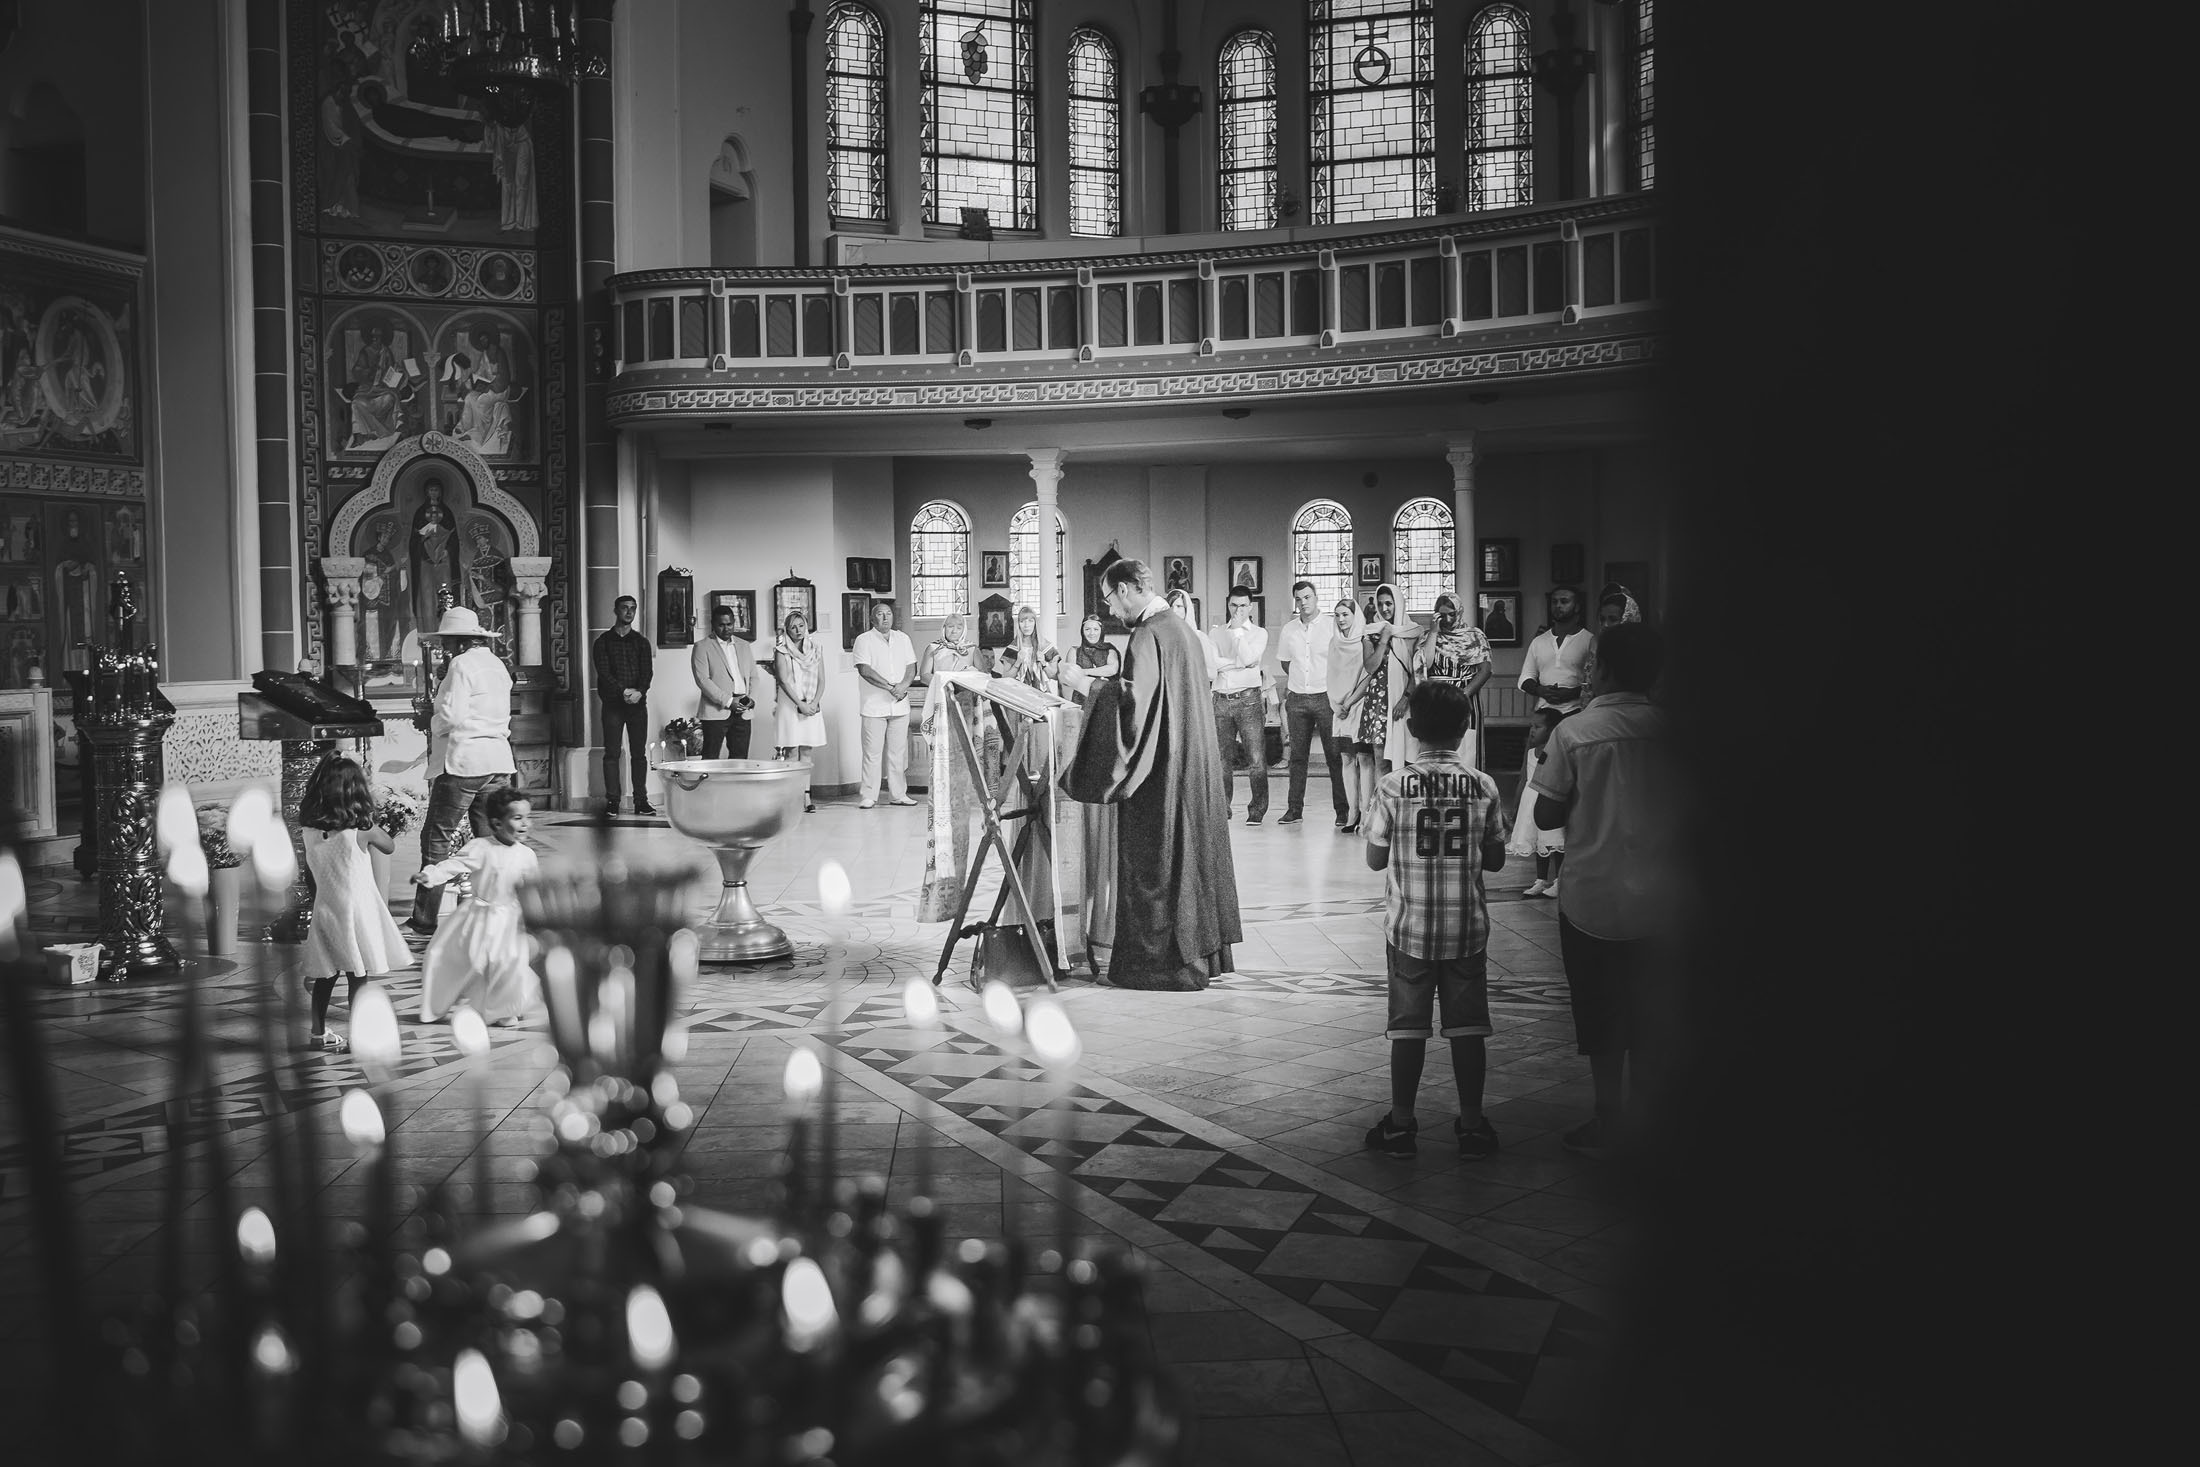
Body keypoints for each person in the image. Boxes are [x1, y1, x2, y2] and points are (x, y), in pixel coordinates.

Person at [1531, 622, 1682, 1159]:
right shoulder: (1673, 730)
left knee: (1601, 1011)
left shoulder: (1574, 733)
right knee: (1649, 1010)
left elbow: (1546, 812)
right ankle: (1647, 1116)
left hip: (1592, 897)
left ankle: (1608, 1116)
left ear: (1605, 670)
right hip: (1662, 900)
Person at [1067, 559, 1243, 991]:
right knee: (1192, 862)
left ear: (1127, 589)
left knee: (1160, 863)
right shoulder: (1180, 629)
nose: (1110, 610)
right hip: (1191, 769)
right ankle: (1199, 956)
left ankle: (1159, 967)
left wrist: (1084, 684)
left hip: (1162, 777)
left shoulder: (1148, 634)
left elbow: (1134, 709)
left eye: (1110, 598)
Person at [1360, 681, 1509, 1160]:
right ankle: (1471, 1123)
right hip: (1466, 927)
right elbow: (1497, 860)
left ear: (1410, 728)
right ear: (1466, 729)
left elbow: (1375, 860)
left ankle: (1401, 1124)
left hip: (1410, 929)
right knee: (1468, 1029)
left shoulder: (1392, 785)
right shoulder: (1483, 784)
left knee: (1408, 1029)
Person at [409, 606, 517, 936]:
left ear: (458, 641)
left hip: (465, 762)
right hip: (498, 760)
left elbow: (452, 716)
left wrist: (432, 720)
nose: (443, 648)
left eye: (446, 642)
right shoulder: (497, 664)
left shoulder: (460, 664)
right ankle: (491, 907)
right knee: (490, 840)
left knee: (437, 838)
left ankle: (425, 917)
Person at [297, 755, 411, 1052]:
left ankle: (318, 1033)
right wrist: (372, 822)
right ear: (357, 792)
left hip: (325, 907)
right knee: (357, 977)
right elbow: (389, 845)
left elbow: (312, 873)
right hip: (355, 912)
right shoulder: (361, 831)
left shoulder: (309, 833)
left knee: (326, 975)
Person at [414, 784, 540, 1025]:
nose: (525, 824)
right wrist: (430, 875)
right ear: (496, 823)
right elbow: (455, 865)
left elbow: (532, 885)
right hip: (482, 918)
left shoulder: (527, 855)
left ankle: (505, 1008)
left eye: (528, 817)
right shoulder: (481, 848)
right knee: (479, 963)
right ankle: (489, 1004)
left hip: (512, 920)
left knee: (510, 962)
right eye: (517, 818)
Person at [1512, 585, 1594, 897]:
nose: (1559, 606)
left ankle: (1566, 872)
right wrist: (1543, 691)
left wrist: (1574, 692)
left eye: (1565, 601)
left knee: (1566, 791)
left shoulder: (1588, 639)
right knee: (1537, 788)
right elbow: (1526, 678)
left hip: (1574, 715)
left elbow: (1591, 676)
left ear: (1577, 604)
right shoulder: (1540, 642)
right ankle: (1542, 874)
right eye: (1556, 602)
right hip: (1544, 718)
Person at [1276, 579, 1347, 827]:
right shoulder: (1289, 630)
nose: (1303, 602)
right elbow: (1286, 662)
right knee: (1297, 757)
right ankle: (1294, 809)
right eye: (1298, 599)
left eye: (1307, 597)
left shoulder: (1330, 625)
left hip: (1325, 697)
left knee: (1334, 756)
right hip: (1297, 698)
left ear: (1315, 597)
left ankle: (1343, 811)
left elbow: (1341, 659)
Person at [1399, 591, 1493, 767]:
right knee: (1435, 745)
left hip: (1466, 695)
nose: (1448, 619)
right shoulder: (1427, 636)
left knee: (1467, 748)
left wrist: (1464, 695)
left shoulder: (1475, 635)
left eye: (1452, 614)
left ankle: (1468, 786)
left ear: (1459, 612)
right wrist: (1434, 631)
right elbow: (1424, 665)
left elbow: (1485, 670)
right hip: (1435, 699)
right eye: (1442, 615)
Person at [1211, 587, 1269, 825]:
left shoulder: (1259, 633)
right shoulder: (1214, 634)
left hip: (1248, 700)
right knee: (1222, 760)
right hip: (1221, 699)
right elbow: (1212, 665)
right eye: (1234, 605)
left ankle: (1257, 810)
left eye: (1243, 606)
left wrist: (1237, 634)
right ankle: (1223, 808)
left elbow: (1248, 659)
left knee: (1255, 759)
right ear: (1228, 605)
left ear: (1250, 607)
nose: (1238, 610)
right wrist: (1237, 663)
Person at [593, 594, 655, 816]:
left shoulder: (641, 642)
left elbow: (647, 673)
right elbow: (604, 672)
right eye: (625, 608)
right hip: (613, 705)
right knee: (611, 753)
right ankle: (612, 801)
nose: (629, 612)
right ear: (616, 610)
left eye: (633, 609)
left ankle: (641, 800)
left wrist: (640, 691)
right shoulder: (603, 642)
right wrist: (623, 691)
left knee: (638, 754)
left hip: (637, 704)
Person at [852, 600, 918, 808]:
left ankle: (898, 794)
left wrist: (903, 686)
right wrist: (892, 688)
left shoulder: (903, 639)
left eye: (888, 613)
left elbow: (911, 668)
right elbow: (865, 671)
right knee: (872, 752)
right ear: (872, 619)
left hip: (900, 705)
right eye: (880, 614)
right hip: (874, 706)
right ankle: (869, 795)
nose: (885, 617)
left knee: (898, 753)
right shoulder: (864, 640)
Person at [764, 608, 827, 813]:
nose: (798, 630)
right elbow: (783, 681)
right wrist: (800, 704)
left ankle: (806, 797)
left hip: (811, 706)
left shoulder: (816, 648)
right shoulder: (782, 651)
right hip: (791, 706)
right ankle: (791, 797)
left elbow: (821, 679)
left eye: (801, 626)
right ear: (787, 630)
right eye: (793, 627)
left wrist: (814, 703)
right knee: (791, 750)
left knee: (806, 750)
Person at [1327, 597, 1370, 832]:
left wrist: (1350, 701)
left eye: (1345, 614)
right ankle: (1352, 813)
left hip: (1360, 705)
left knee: (1364, 759)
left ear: (1355, 616)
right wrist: (1336, 705)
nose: (1341, 619)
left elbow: (1367, 676)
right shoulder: (1334, 643)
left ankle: (1366, 812)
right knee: (1346, 759)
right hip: (1339, 708)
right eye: (1337, 614)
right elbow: (1330, 675)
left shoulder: (1364, 640)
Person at [691, 602, 756, 758]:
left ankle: (736, 784)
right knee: (710, 758)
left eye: (730, 624)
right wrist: (728, 702)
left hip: (743, 710)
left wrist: (750, 699)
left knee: (740, 759)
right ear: (713, 624)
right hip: (716, 712)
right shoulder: (702, 647)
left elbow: (754, 676)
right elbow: (702, 680)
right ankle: (709, 784)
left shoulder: (744, 645)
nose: (726, 628)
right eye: (721, 625)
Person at [1067, 613, 1120, 705]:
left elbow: (1112, 669)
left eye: (1096, 629)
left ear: (1101, 631)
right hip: (1081, 701)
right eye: (1087, 629)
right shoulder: (1074, 651)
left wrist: (1084, 672)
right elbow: (1070, 676)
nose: (1092, 633)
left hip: (1106, 700)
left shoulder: (1109, 650)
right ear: (1082, 631)